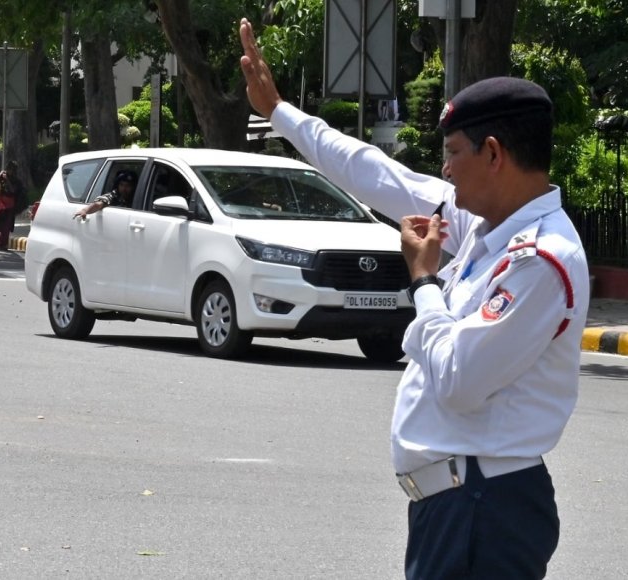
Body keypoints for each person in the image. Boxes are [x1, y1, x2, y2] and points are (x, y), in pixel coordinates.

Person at [239, 18, 589, 579]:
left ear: (494, 154)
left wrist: (424, 282)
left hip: (484, 511)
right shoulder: (484, 223)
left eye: (452, 153)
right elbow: (375, 174)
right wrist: (281, 112)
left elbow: (459, 379)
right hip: (458, 504)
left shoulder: (540, 261)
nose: (444, 170)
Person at [0, 161, 26, 251]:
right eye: (9, 169)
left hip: (9, 205)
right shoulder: (1, 177)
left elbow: (13, 191)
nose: (10, 171)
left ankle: (3, 244)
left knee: (6, 226)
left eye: (12, 170)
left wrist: (7, 180)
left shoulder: (16, 181)